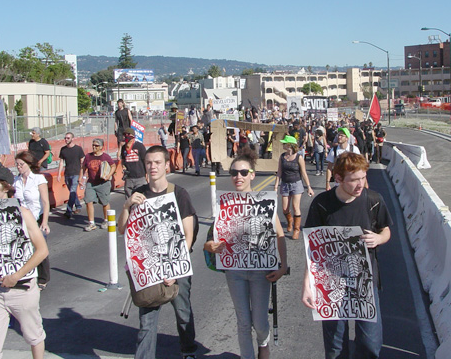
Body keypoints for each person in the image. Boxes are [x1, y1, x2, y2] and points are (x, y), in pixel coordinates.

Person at [302, 152, 391, 359]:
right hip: (331, 281)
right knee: (335, 347)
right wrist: (308, 283)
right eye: (354, 180)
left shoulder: (373, 200)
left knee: (370, 344)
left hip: (365, 283)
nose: (360, 185)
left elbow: (386, 229)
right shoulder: (322, 203)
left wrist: (378, 239)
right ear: (339, 178)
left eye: (363, 178)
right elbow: (312, 248)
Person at [204, 147, 288, 359]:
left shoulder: (265, 202)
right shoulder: (224, 203)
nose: (238, 177)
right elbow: (210, 239)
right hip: (235, 271)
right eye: (234, 173)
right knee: (243, 321)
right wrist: (210, 246)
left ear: (252, 175)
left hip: (261, 272)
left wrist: (283, 266)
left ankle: (263, 343)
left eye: (243, 172)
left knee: (259, 322)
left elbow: (279, 234)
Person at [117, 146, 198, 359]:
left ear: (166, 165)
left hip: (176, 267)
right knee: (147, 321)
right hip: (149, 268)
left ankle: (188, 350)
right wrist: (126, 206)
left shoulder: (179, 194)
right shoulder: (139, 194)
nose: (153, 167)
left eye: (157, 163)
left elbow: (188, 234)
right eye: (149, 163)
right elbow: (122, 230)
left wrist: (175, 268)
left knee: (183, 313)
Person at [0, 165, 48, 359]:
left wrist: (16, 276)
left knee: (34, 336)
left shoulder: (23, 213)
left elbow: (42, 250)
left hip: (22, 288)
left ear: (5, 187)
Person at [14, 151, 51, 290]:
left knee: (39, 247)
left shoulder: (38, 179)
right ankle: (26, 275)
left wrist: (45, 221)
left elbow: (45, 202)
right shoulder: (16, 181)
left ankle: (43, 278)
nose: (18, 167)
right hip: (22, 219)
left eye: (21, 164)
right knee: (24, 248)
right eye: (17, 164)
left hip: (37, 217)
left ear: (29, 164)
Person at [273, 135, 314, 240]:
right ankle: (290, 221)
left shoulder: (298, 157)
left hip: (296, 184)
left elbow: (304, 173)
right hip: (285, 184)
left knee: (296, 207)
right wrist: (276, 187)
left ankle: (296, 229)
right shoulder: (282, 157)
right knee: (285, 209)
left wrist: (309, 187)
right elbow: (279, 172)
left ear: (290, 145)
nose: (283, 145)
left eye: (285, 143)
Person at [80, 138, 116, 231]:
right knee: (88, 201)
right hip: (91, 183)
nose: (94, 147)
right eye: (93, 145)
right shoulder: (88, 156)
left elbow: (113, 166)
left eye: (96, 145)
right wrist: (82, 178)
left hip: (103, 183)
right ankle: (91, 223)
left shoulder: (105, 157)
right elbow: (83, 167)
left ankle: (106, 220)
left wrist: (109, 175)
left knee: (105, 202)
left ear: (101, 147)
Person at [57, 132, 85, 219]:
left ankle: (68, 211)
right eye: (65, 138)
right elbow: (61, 162)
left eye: (68, 138)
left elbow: (82, 162)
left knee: (73, 190)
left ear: (73, 139)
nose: (66, 140)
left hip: (76, 173)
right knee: (72, 192)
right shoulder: (63, 150)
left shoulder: (78, 149)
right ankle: (78, 205)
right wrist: (59, 174)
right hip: (67, 173)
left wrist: (82, 174)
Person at [120, 127, 147, 198]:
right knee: (128, 200)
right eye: (124, 135)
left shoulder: (139, 146)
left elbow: (145, 160)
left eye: (128, 134)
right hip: (129, 178)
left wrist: (147, 175)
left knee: (140, 199)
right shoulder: (123, 148)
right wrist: (123, 166)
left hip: (140, 177)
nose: (126, 136)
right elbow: (123, 159)